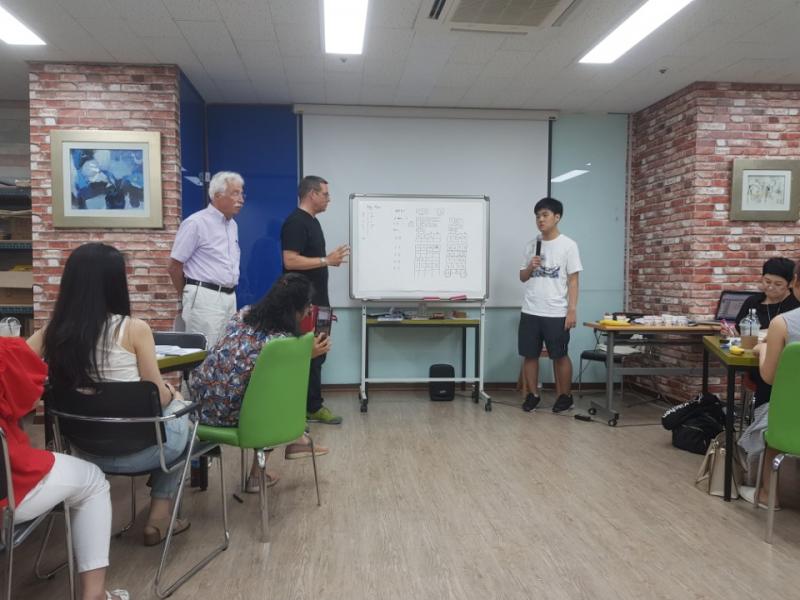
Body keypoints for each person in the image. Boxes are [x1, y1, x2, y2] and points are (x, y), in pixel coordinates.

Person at [28, 243, 192, 547]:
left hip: (82, 450)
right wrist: (173, 394)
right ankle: (159, 515)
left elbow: (13, 364)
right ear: (115, 283)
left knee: (171, 417)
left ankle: (148, 513)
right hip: (142, 450)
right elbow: (158, 397)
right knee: (183, 415)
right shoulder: (134, 329)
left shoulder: (52, 332)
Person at [2, 337, 128, 600]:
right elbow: (26, 393)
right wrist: (51, 329)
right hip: (7, 492)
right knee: (94, 480)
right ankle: (95, 595)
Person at [190, 273, 331, 492]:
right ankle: (261, 473)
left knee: (262, 389)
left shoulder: (243, 314)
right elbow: (283, 384)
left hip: (199, 408)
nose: (309, 310)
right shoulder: (281, 341)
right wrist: (307, 354)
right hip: (231, 416)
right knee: (274, 394)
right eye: (307, 305)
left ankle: (299, 439)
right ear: (295, 310)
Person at [281, 175, 349, 425]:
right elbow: (290, 260)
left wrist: (327, 261)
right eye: (325, 194)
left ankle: (313, 406)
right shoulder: (295, 222)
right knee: (305, 354)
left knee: (318, 353)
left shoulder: (313, 222)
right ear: (312, 194)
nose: (329, 199)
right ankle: (298, 411)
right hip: (302, 304)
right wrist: (326, 260)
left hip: (318, 302)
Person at [740, 262, 800, 508]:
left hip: (791, 415)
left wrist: (763, 348)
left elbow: (770, 377)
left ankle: (767, 495)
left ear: (794, 283)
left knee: (776, 416)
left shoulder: (784, 322)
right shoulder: (755, 304)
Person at [518, 197, 582, 413]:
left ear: (557, 217)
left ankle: (565, 396)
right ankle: (533, 395)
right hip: (530, 309)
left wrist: (571, 310)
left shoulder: (568, 245)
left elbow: (573, 281)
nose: (540, 220)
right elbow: (522, 277)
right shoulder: (531, 245)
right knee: (530, 354)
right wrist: (530, 267)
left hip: (556, 311)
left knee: (559, 355)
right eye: (537, 216)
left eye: (545, 215)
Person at [168, 171, 244, 348]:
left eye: (242, 193)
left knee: (225, 352)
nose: (241, 199)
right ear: (218, 196)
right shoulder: (196, 222)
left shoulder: (233, 225)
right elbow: (174, 266)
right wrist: (186, 295)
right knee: (204, 353)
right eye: (235, 193)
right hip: (204, 296)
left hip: (230, 296)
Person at [734, 257, 799, 425]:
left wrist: (764, 346)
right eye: (767, 281)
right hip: (758, 362)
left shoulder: (794, 305)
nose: (770, 287)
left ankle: (765, 427)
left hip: (784, 364)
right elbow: (739, 328)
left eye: (778, 284)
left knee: (772, 378)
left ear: (791, 283)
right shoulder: (752, 302)